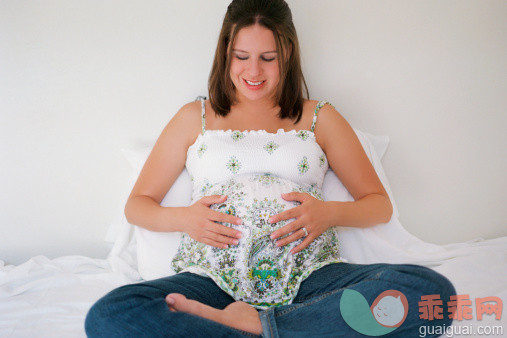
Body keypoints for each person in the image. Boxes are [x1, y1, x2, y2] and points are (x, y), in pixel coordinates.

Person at [85, 0, 455, 336]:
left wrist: (328, 213)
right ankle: (277, 329)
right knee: (111, 313)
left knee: (427, 293)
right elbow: (138, 204)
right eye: (241, 56)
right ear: (225, 54)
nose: (254, 71)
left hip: (311, 277)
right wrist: (184, 219)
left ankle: (261, 325)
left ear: (288, 52)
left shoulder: (320, 117)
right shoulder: (193, 117)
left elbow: (378, 203)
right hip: (210, 280)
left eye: (268, 57)